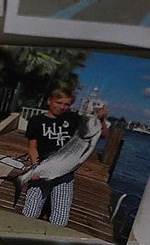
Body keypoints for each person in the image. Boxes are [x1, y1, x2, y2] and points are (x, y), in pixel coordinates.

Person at [11, 82, 101, 224]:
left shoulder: (72, 119)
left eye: (67, 104)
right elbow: (32, 146)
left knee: (61, 218)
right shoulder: (36, 121)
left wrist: (100, 117)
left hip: (65, 174)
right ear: (49, 101)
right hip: (42, 169)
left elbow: (98, 131)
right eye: (59, 102)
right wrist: (35, 167)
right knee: (30, 212)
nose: (62, 107)